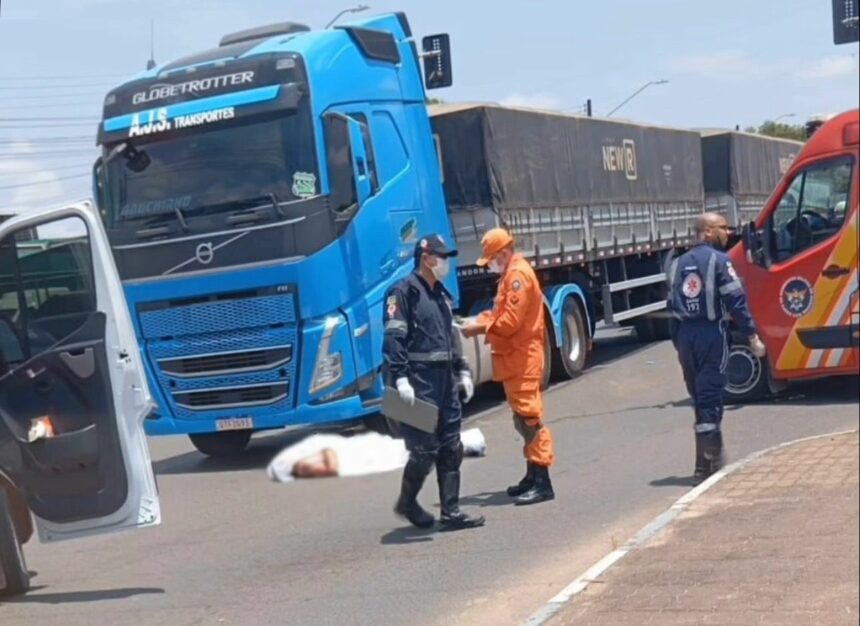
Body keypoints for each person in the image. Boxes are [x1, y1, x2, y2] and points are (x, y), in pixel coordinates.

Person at [382, 234, 485, 531]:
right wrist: (400, 378)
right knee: (424, 450)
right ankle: (407, 502)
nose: (445, 262)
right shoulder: (402, 292)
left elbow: (450, 336)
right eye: (441, 257)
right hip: (416, 379)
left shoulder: (441, 294)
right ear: (426, 258)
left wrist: (462, 370)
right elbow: (394, 337)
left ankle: (451, 512)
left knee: (452, 445)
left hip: (444, 379)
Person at [666, 213, 767, 484]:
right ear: (708, 231)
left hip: (686, 335)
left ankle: (711, 457)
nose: (728, 232)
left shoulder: (677, 265)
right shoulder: (720, 261)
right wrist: (752, 335)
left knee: (699, 397)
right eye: (723, 227)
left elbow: (671, 307)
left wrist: (679, 343)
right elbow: (736, 301)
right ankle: (706, 465)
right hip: (711, 333)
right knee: (710, 396)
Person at [462, 228, 555, 505]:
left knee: (530, 419)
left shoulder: (517, 277)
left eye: (491, 259)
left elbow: (510, 323)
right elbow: (501, 313)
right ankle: (532, 475)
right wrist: (481, 319)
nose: (490, 265)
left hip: (523, 358)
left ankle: (543, 482)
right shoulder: (509, 275)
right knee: (521, 419)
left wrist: (479, 328)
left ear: (503, 253)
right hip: (514, 359)